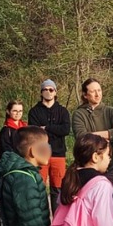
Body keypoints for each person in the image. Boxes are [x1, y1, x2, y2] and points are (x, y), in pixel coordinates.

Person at [71, 78, 113, 187]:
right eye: (93, 91)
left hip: (110, 166)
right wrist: (109, 134)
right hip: (88, 166)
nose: (97, 94)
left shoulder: (110, 111)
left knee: (111, 200)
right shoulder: (78, 114)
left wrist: (91, 135)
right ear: (85, 95)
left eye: (99, 90)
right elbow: (81, 136)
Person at [28, 79, 71, 209]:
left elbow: (65, 130)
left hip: (58, 154)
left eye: (51, 89)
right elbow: (35, 133)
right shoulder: (34, 111)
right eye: (45, 89)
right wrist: (54, 130)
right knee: (39, 188)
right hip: (40, 155)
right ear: (41, 92)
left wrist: (46, 128)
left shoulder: (63, 111)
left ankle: (57, 220)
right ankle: (42, 220)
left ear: (55, 92)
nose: (48, 92)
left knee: (57, 189)